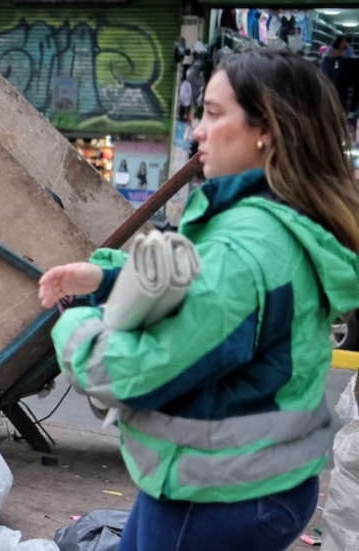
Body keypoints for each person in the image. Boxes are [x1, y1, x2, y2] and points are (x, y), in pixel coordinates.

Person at [38, 48, 359, 551]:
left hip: (218, 496)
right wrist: (104, 277)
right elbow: (201, 283)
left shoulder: (245, 247)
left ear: (266, 129)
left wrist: (71, 325)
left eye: (213, 114)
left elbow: (133, 374)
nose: (195, 131)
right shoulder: (278, 219)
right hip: (246, 476)